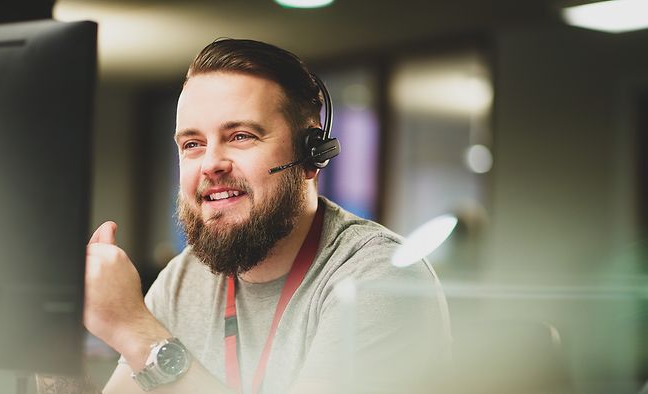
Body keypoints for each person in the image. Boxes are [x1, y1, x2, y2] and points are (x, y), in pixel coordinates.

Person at [42, 38, 450, 394]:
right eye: (192, 144)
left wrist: (137, 332)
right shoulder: (184, 278)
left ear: (310, 155)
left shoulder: (378, 278)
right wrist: (50, 344)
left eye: (240, 136)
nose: (211, 164)